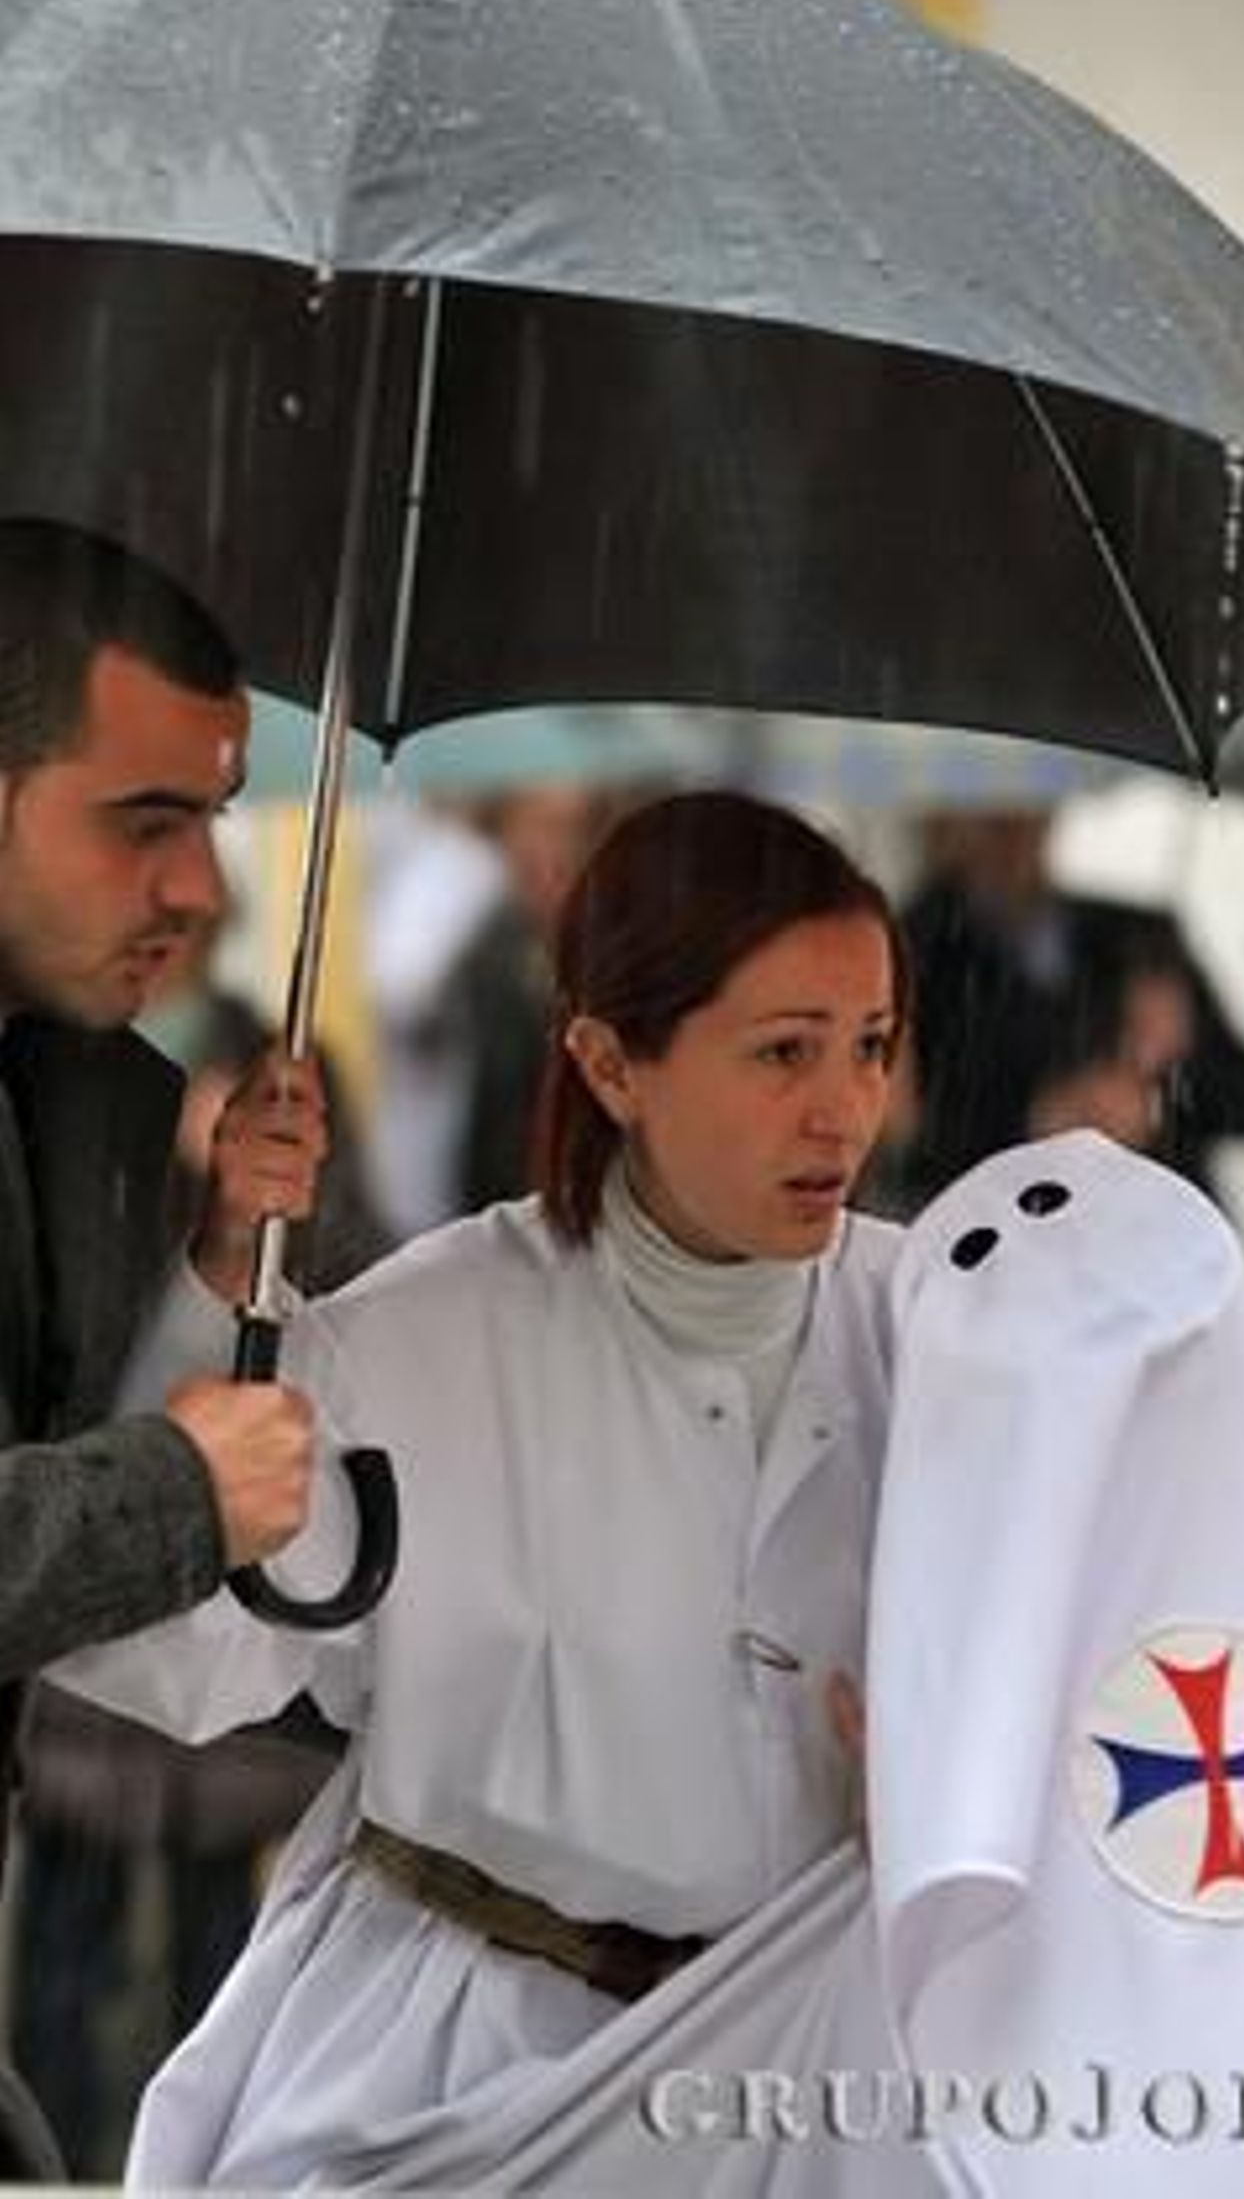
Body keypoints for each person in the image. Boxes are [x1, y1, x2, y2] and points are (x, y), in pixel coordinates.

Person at [50, 789, 908, 2188]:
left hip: (813, 2082)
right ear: (611, 1063)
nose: (844, 1109)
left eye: (872, 1044)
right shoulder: (425, 1338)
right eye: (782, 1052)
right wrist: (223, 1287)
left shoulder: (936, 1341)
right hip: (452, 2085)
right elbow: (162, 1661)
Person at [0, 517, 318, 2180]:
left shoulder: (62, 1088)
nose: (198, 889)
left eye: (209, 820)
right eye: (145, 823)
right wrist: (176, 1490)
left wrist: (210, 1258)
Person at [892, 807, 1244, 1209]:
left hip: (1165, 1225)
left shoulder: (1141, 936)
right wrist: (1035, 1121)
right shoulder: (905, 955)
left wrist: (1161, 1094)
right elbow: (906, 1150)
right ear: (940, 822)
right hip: (1017, 1231)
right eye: (988, 816)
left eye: (1026, 808)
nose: (1013, 829)